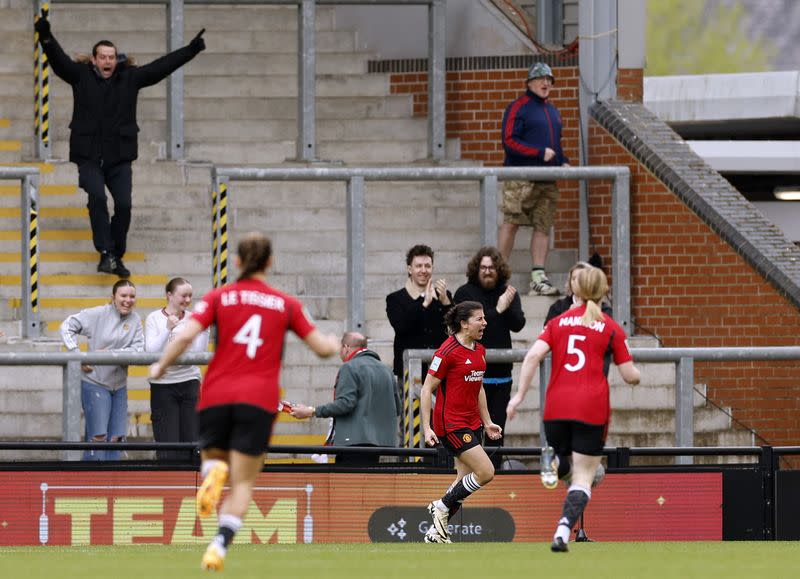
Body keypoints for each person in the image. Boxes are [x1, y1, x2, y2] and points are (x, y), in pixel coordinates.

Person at [149, 232, 339, 571]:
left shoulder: (219, 297)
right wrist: (329, 339)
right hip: (259, 399)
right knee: (244, 483)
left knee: (214, 456)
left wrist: (161, 365)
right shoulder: (285, 303)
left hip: (217, 393)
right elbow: (324, 350)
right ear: (270, 262)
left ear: (236, 261)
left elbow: (187, 335)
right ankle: (219, 546)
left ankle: (212, 470)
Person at [34, 9, 206, 278]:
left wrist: (191, 50)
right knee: (98, 197)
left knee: (124, 205)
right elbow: (59, 61)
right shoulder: (80, 75)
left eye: (111, 57)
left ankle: (115, 254)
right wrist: (45, 36)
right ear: (94, 60)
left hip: (119, 157)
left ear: (116, 60)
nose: (107, 61)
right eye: (102, 57)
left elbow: (160, 67)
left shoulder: (130, 77)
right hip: (88, 155)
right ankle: (105, 252)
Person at [506, 266, 640, 553]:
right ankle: (563, 530)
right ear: (605, 291)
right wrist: (636, 372)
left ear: (575, 290)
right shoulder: (611, 327)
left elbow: (532, 357)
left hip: (556, 406)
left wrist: (518, 397)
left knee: (566, 464)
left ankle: (553, 460)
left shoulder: (558, 322)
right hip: (591, 407)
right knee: (584, 476)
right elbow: (630, 375)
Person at [421, 301, 502, 544]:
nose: (484, 323)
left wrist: (487, 421)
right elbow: (427, 389)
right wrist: (426, 428)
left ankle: (436, 532)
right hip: (451, 425)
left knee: (462, 483)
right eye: (479, 319)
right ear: (464, 323)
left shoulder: (480, 350)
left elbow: (478, 387)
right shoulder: (446, 352)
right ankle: (441, 505)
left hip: (472, 423)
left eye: (484, 318)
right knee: (486, 472)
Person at [497, 62, 569, 297]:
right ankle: (498, 274)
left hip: (547, 178)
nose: (546, 83)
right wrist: (538, 153)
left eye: (549, 79)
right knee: (512, 222)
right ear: (529, 83)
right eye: (540, 79)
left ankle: (538, 277)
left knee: (543, 225)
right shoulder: (519, 107)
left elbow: (555, 145)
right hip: (520, 178)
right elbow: (509, 141)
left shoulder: (553, 111)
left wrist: (562, 160)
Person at [453, 247, 525, 469]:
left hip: (501, 377)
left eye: (491, 268)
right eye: (483, 267)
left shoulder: (508, 292)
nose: (487, 272)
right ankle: (469, 474)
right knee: (471, 431)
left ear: (498, 270)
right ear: (477, 269)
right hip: (471, 375)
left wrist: (507, 305)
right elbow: (468, 327)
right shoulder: (465, 293)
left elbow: (518, 325)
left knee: (495, 431)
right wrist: (498, 308)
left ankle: (493, 476)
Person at [60, 279, 144, 461]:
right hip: (94, 383)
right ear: (113, 297)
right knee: (98, 437)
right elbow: (67, 326)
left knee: (116, 438)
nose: (128, 300)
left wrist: (111, 353)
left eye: (132, 296)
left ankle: (111, 485)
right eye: (123, 295)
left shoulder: (136, 319)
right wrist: (77, 355)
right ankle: (90, 483)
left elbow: (139, 350)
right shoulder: (97, 314)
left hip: (119, 386)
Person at [291, 331, 401, 466]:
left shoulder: (349, 367)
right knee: (368, 485)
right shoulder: (386, 370)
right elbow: (397, 408)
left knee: (348, 484)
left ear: (346, 347)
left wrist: (311, 411)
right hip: (380, 445)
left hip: (352, 443)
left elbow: (345, 404)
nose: (339, 353)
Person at [144, 277, 209, 461]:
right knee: (168, 446)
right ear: (169, 295)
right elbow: (151, 351)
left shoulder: (192, 318)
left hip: (189, 382)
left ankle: (191, 487)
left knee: (192, 443)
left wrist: (205, 329)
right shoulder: (154, 318)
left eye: (190, 296)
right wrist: (167, 329)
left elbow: (198, 352)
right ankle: (169, 486)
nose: (188, 300)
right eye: (183, 296)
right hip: (163, 385)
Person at [386, 244, 452, 381]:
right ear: (409, 269)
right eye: (418, 266)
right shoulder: (395, 299)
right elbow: (401, 327)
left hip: (440, 372)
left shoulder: (444, 296)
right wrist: (423, 304)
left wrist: (446, 303)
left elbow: (456, 329)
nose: (423, 270)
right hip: (409, 373)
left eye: (427, 266)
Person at [545, 261, 613, 325]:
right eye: (574, 278)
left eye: (581, 278)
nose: (577, 282)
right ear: (569, 282)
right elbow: (548, 330)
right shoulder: (558, 307)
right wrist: (568, 314)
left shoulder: (604, 309)